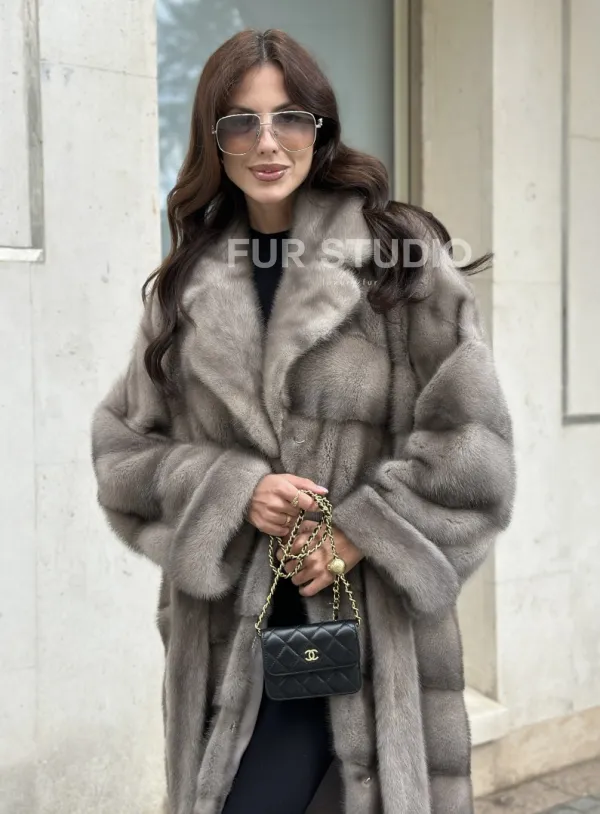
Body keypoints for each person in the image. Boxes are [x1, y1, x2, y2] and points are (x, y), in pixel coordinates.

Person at [91, 27, 515, 814]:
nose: (267, 142)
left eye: (289, 117)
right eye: (240, 122)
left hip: (371, 643)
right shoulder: (186, 286)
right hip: (232, 651)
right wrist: (231, 489)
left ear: (319, 127)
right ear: (213, 140)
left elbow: (474, 448)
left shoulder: (396, 257)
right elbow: (123, 455)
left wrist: (364, 529)